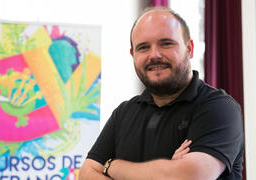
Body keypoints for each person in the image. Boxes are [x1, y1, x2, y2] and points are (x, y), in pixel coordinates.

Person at [79, 6, 244, 180]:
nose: (154, 55)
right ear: (132, 54)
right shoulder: (123, 113)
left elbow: (191, 176)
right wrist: (166, 172)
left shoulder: (219, 107)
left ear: (190, 48)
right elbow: (86, 174)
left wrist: (111, 166)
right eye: (143, 48)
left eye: (166, 43)